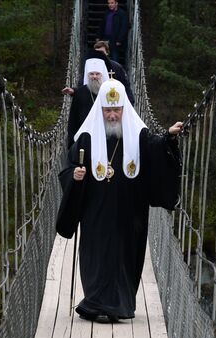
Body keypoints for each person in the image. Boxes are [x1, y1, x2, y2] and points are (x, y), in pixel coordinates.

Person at [56, 79, 183, 322]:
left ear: (124, 108)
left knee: (124, 255)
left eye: (117, 110)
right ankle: (94, 303)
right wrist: (75, 175)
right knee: (97, 252)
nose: (113, 115)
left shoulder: (139, 134)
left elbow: (155, 151)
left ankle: (119, 306)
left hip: (129, 210)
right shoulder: (86, 137)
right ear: (100, 110)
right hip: (96, 211)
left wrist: (168, 137)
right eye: (108, 110)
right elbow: (68, 167)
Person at [62, 43, 135, 105]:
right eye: (97, 53)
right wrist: (73, 91)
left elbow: (125, 87)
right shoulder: (89, 67)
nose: (99, 55)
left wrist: (129, 104)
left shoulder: (117, 67)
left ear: (107, 53)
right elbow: (82, 86)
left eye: (102, 53)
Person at [66, 57, 109, 148]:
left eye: (97, 74)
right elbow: (73, 119)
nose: (94, 76)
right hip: (84, 139)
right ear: (87, 75)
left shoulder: (110, 92)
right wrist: (71, 142)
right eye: (91, 74)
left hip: (105, 137)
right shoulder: (80, 92)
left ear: (102, 74)